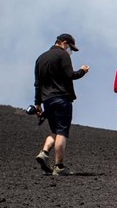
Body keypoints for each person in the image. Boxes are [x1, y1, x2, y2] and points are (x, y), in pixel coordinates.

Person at [33, 33, 89, 176]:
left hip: (47, 101)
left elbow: (37, 84)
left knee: (55, 130)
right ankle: (59, 167)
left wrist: (38, 104)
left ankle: (44, 153)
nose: (70, 51)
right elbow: (70, 75)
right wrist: (83, 71)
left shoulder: (40, 58)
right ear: (64, 43)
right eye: (70, 47)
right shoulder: (63, 56)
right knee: (62, 132)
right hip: (62, 99)